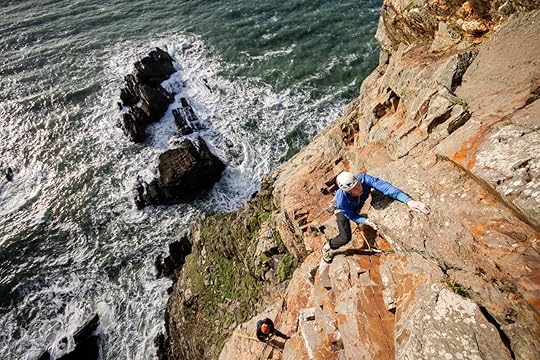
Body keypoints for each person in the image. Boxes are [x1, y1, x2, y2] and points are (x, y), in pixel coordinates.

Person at [322, 171, 430, 263]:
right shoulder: (342, 201)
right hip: (341, 209)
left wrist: (408, 201)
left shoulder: (364, 179)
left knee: (360, 199)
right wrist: (364, 221)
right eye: (354, 188)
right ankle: (327, 247)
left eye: (358, 184)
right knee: (345, 237)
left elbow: (386, 188)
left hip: (355, 202)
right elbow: (352, 216)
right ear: (348, 191)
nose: (359, 188)